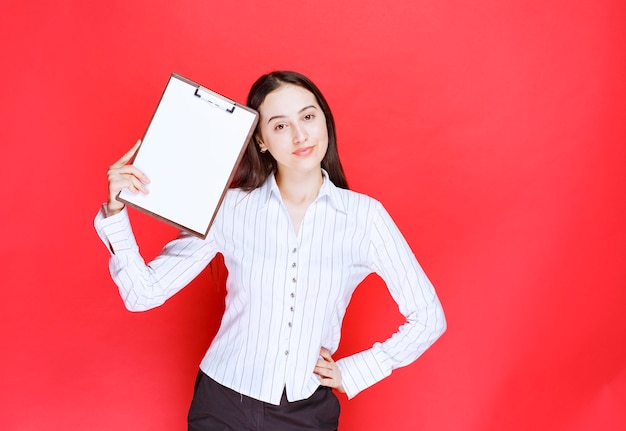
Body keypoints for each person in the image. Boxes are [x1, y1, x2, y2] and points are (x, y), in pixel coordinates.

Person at [95, 71, 446, 431]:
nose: (300, 135)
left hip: (306, 413)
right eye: (280, 126)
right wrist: (116, 213)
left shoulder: (365, 217)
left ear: (325, 120)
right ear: (260, 141)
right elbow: (143, 294)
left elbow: (428, 317)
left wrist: (356, 372)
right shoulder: (229, 208)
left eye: (308, 117)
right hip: (222, 403)